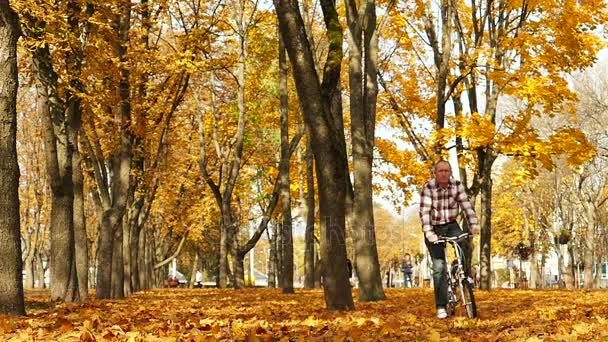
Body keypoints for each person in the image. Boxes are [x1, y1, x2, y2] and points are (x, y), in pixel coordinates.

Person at [419, 159, 480, 319]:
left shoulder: (457, 186)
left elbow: (466, 207)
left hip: (452, 224)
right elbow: (424, 213)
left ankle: (463, 273)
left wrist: (474, 225)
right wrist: (429, 234)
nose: (444, 173)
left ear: (450, 172)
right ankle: (441, 305)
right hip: (434, 227)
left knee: (464, 243)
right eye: (440, 171)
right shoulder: (428, 187)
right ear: (435, 173)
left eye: (446, 170)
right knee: (439, 267)